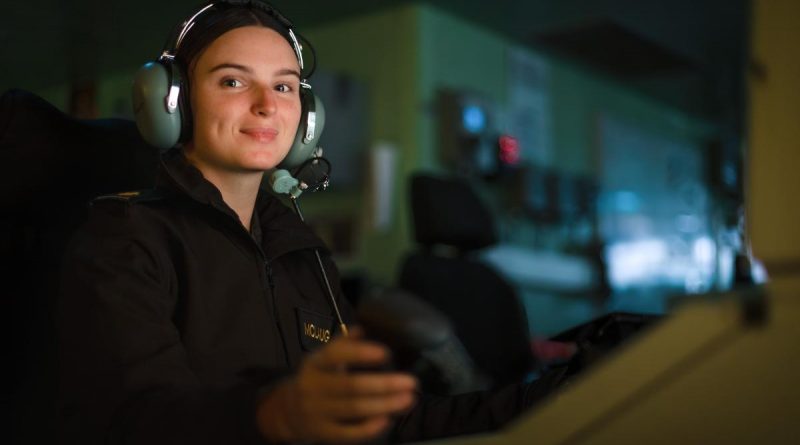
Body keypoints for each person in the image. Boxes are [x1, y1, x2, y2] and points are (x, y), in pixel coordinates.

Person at [57, 2, 553, 444]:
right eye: (233, 81)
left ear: (306, 117)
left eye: (284, 86)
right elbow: (133, 419)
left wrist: (554, 393)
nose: (267, 105)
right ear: (174, 102)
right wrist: (274, 416)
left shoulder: (304, 256)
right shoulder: (124, 236)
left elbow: (386, 424)